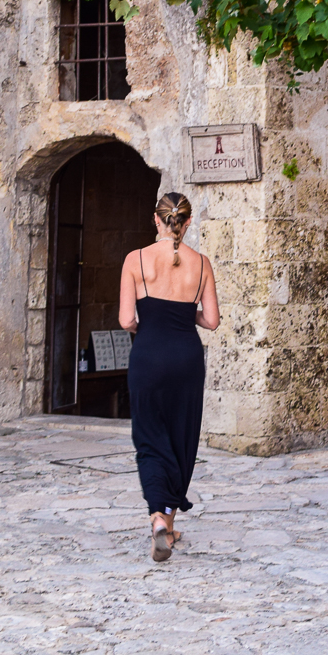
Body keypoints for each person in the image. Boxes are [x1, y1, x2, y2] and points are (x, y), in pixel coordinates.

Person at [119, 192, 219, 562]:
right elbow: (211, 320)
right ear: (187, 223)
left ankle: (158, 520)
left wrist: (155, 318)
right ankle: (170, 524)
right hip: (186, 358)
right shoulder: (201, 263)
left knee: (149, 438)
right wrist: (182, 315)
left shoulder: (135, 260)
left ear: (156, 220)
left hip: (148, 355)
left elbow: (127, 320)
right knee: (181, 435)